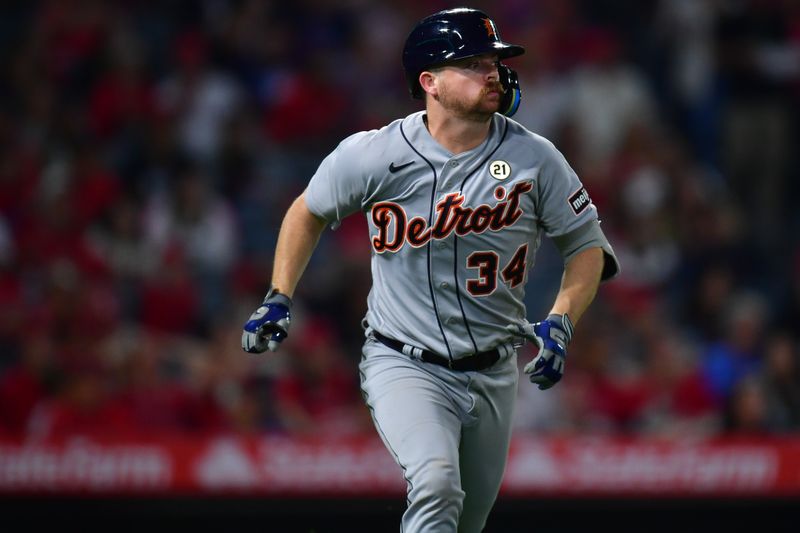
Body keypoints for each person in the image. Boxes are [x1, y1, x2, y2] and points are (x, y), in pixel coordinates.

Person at [242, 7, 619, 532]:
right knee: (438, 484)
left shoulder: (536, 158)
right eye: (472, 63)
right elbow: (307, 211)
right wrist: (279, 294)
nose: (492, 73)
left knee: (467, 522)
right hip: (405, 361)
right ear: (430, 82)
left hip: (494, 369)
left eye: (493, 60)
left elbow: (586, 246)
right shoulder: (375, 154)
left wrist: (561, 318)